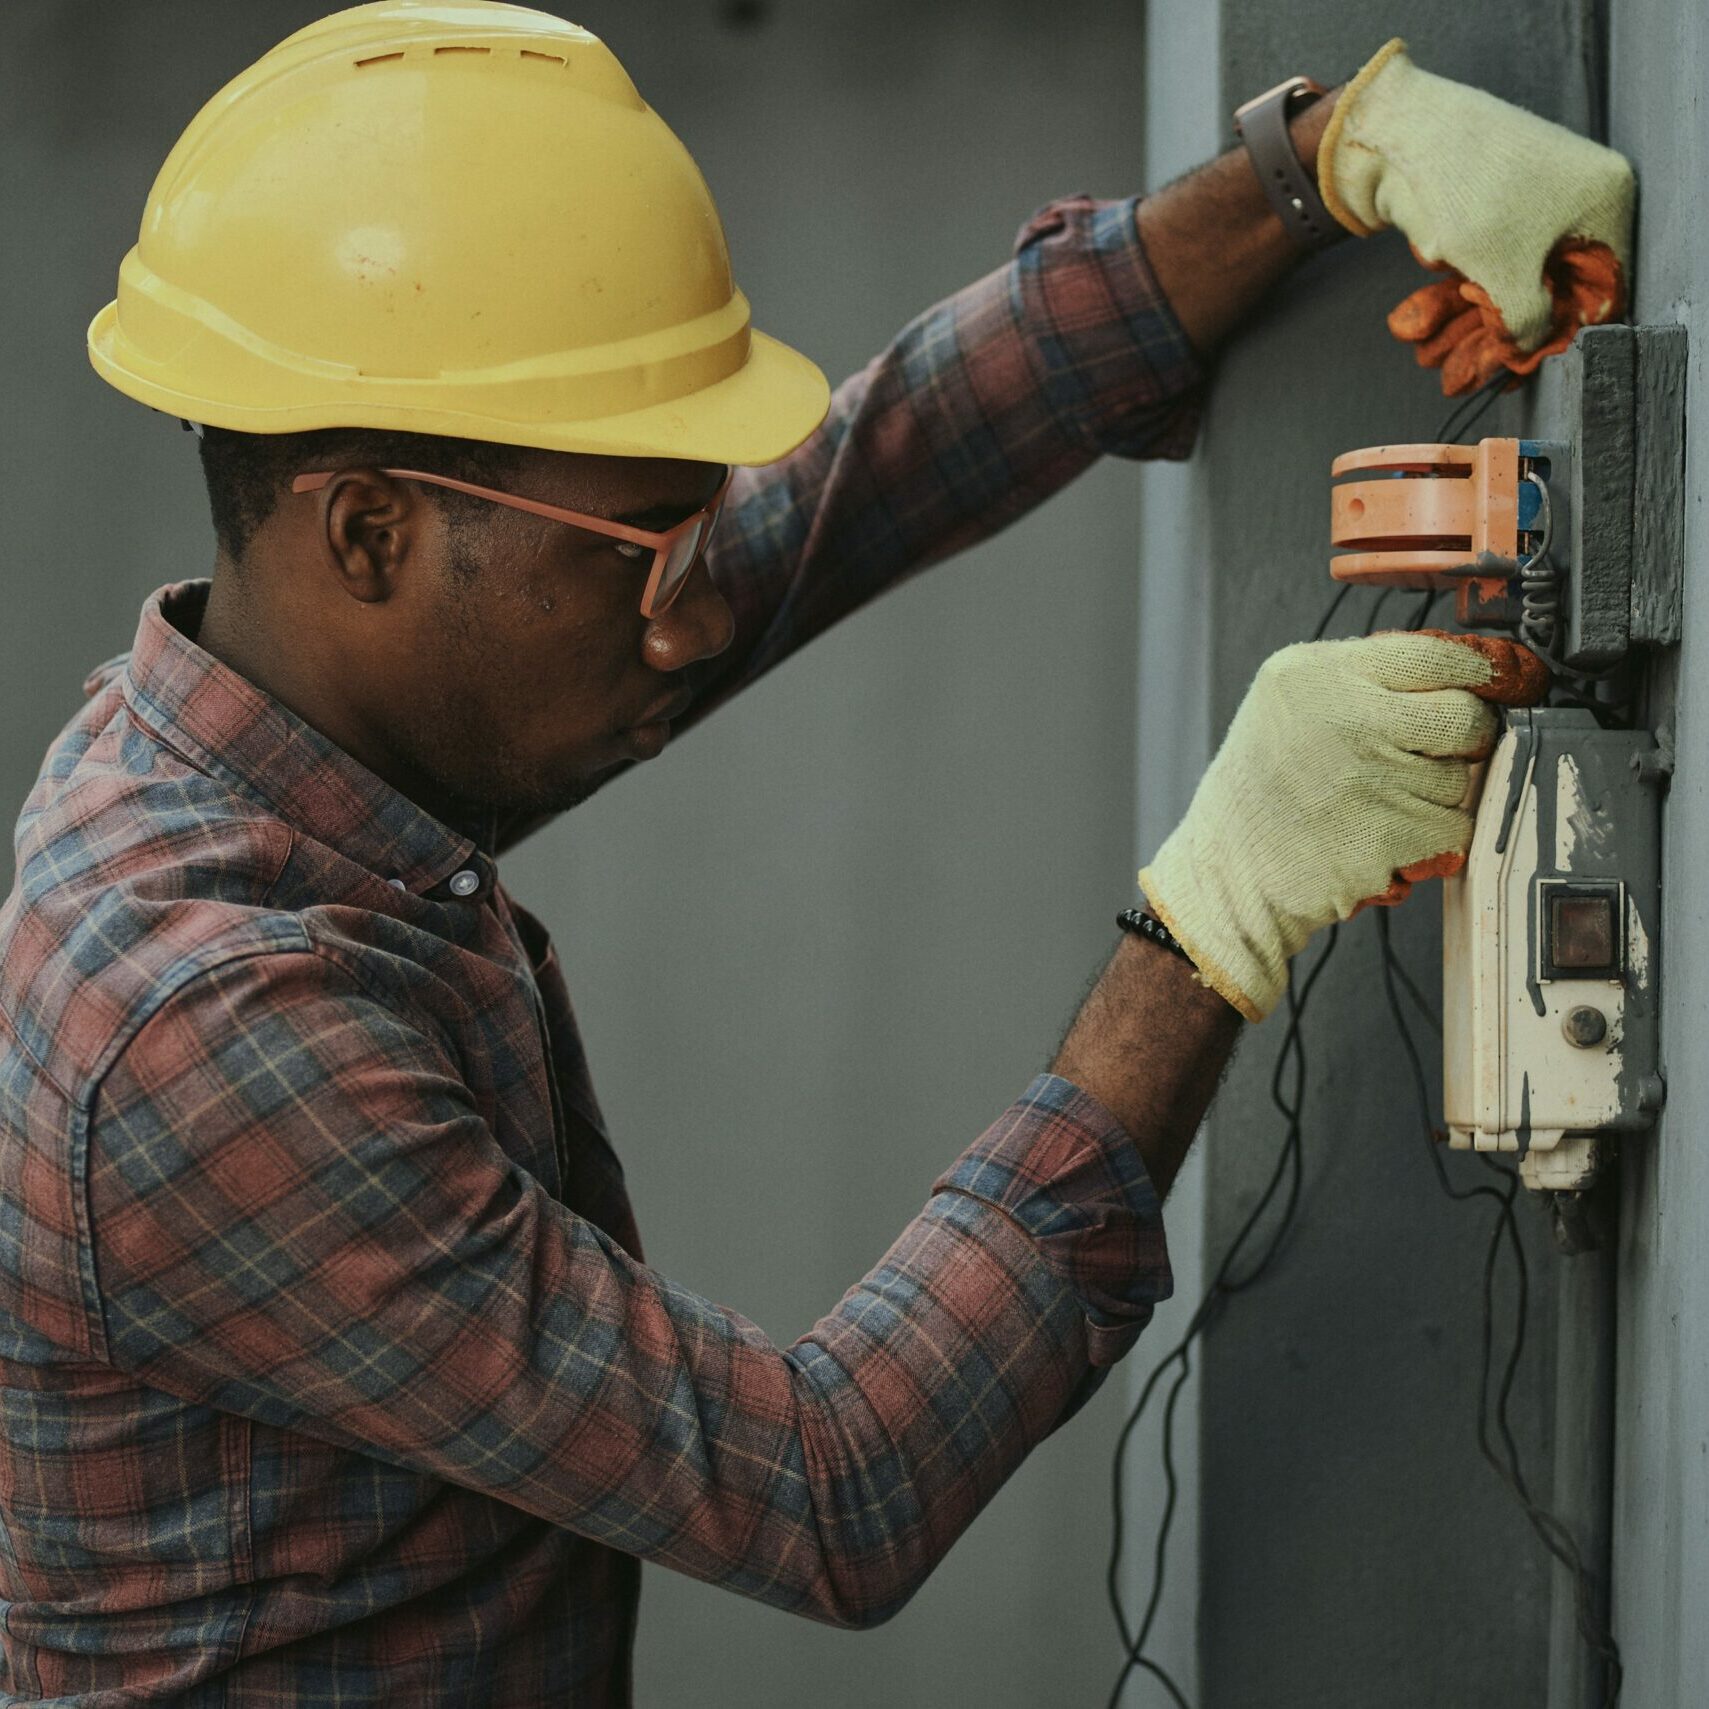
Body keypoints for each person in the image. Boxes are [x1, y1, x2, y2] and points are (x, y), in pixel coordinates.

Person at [0, 5, 1633, 1702]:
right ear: (369, 531)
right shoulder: (203, 1029)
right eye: (647, 540)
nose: (690, 602)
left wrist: (1318, 166)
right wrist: (1214, 912)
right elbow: (828, 1485)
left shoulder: (271, 739)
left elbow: (853, 488)